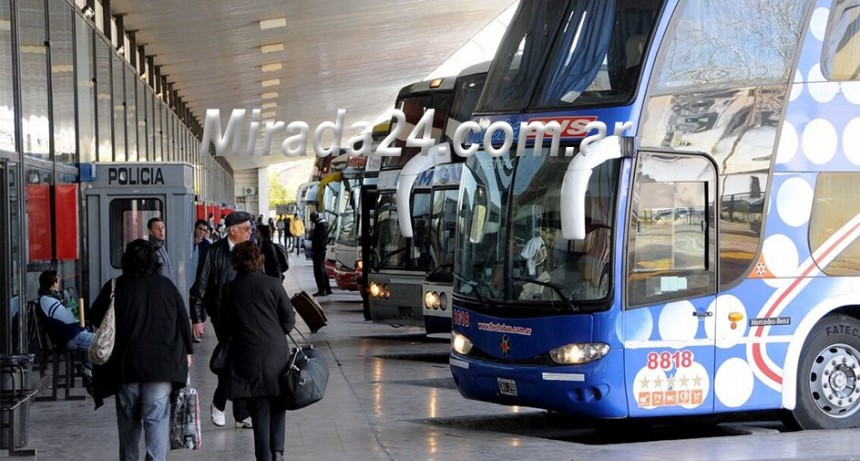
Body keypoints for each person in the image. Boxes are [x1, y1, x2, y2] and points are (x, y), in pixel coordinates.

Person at [88, 239, 192, 461]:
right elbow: (184, 322)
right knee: (156, 420)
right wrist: (188, 352)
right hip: (161, 367)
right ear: (154, 261)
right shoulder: (166, 286)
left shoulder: (115, 286)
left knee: (128, 422)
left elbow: (94, 317)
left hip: (126, 366)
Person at [222, 241, 295, 461]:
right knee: (278, 404)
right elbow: (289, 320)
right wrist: (273, 331)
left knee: (259, 410)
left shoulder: (230, 289)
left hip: (246, 357)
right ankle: (278, 453)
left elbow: (224, 325)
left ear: (236, 261)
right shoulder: (273, 284)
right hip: (276, 356)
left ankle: (264, 456)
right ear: (258, 259)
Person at [189, 210, 254, 429]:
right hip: (222, 316)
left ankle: (236, 412)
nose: (250, 232)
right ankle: (224, 406)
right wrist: (197, 319)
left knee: (240, 360)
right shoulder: (212, 253)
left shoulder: (252, 250)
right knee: (235, 358)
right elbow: (199, 288)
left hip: (248, 315)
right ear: (233, 231)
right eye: (246, 229)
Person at [37, 270, 94, 354]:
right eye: (57, 282)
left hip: (75, 335)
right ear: (53, 284)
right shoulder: (47, 301)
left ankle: (89, 366)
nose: (58, 285)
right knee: (104, 342)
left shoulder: (48, 299)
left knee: (105, 340)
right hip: (72, 337)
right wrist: (71, 303)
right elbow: (72, 318)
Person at [310, 211, 332, 296]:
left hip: (318, 250)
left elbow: (318, 239)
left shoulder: (320, 226)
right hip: (321, 249)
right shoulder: (323, 225)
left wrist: (312, 235)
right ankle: (327, 288)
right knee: (322, 268)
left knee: (318, 270)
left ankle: (321, 289)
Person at [148, 217, 176, 284]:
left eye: (162, 227)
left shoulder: (161, 246)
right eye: (157, 228)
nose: (161, 231)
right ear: (150, 231)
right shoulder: (152, 249)